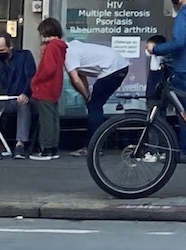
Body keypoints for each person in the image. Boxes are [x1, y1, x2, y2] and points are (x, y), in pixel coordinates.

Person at [147, 0, 186, 157]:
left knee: (184, 112)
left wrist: (155, 49)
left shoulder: (184, 15)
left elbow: (179, 42)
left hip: (183, 68)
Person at [64, 38, 130, 157]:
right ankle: (94, 145)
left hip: (111, 68)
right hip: (121, 65)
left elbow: (75, 79)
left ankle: (93, 147)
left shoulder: (68, 54)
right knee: (95, 105)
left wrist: (87, 96)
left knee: (94, 107)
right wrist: (87, 95)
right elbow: (81, 75)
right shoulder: (73, 47)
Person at [28, 18, 66, 160]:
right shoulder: (60, 46)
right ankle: (53, 148)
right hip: (55, 86)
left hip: (46, 87)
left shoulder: (50, 47)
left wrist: (36, 79)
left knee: (46, 119)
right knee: (53, 117)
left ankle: (46, 149)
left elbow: (48, 69)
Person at [0, 34, 36, 158]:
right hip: (3, 99)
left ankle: (20, 144)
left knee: (24, 106)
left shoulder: (25, 56)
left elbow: (31, 77)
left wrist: (25, 93)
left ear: (10, 46)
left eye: (2, 50)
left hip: (19, 97)